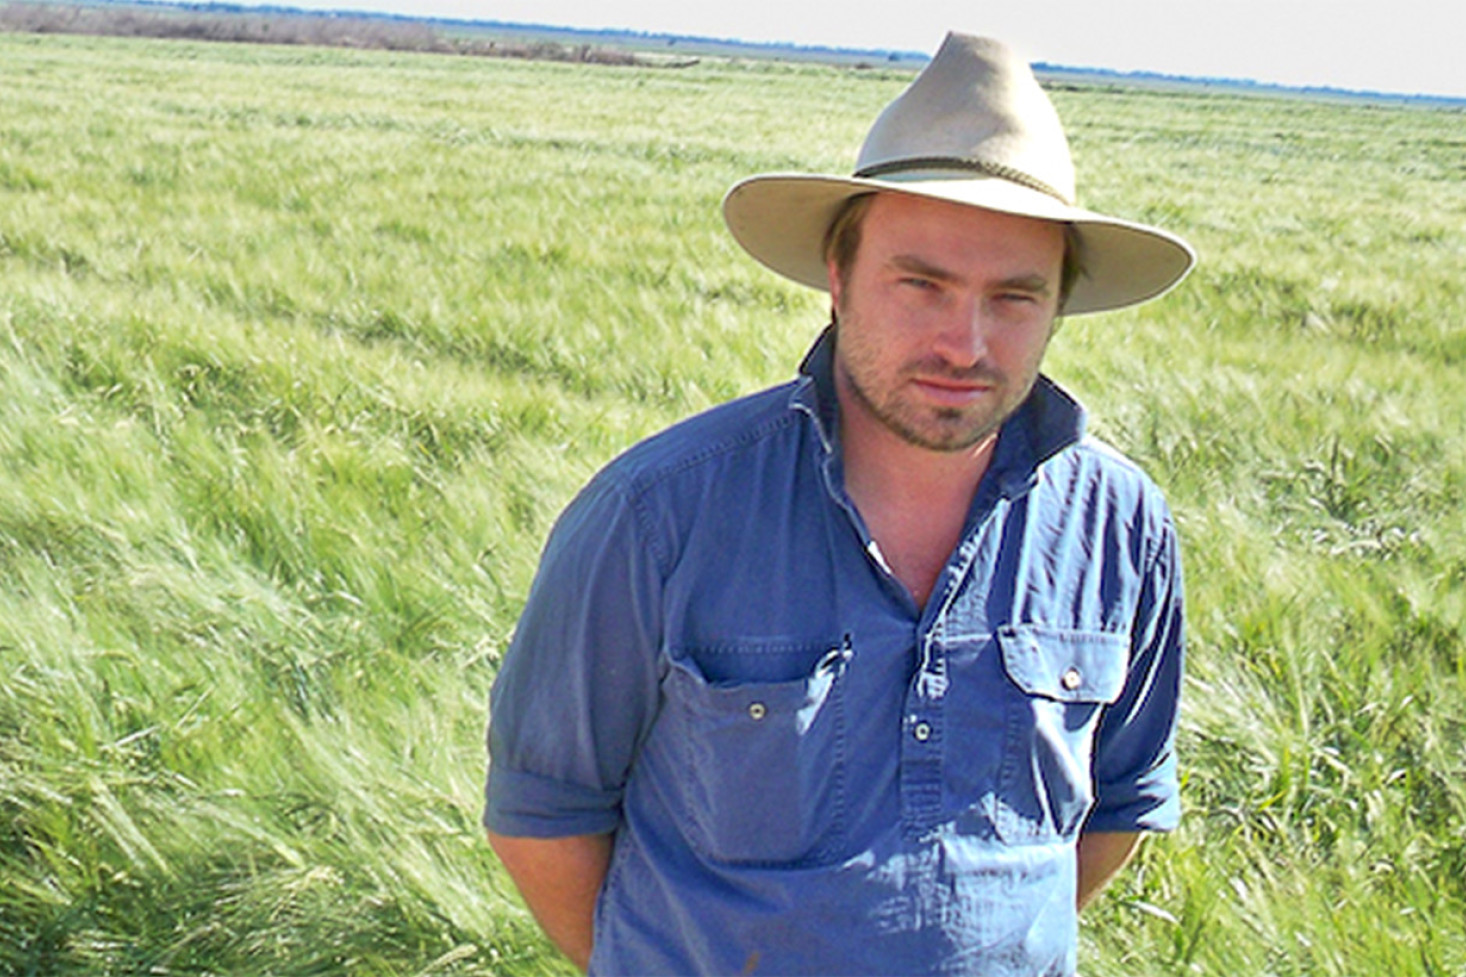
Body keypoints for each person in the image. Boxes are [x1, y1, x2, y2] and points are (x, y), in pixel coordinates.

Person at [484, 31, 1193, 977]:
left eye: (1015, 298)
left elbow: (1117, 806)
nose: (966, 342)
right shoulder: (658, 514)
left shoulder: (1121, 526)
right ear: (836, 275)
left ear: (1058, 307)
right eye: (922, 284)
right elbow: (543, 818)